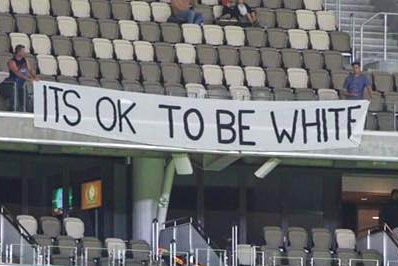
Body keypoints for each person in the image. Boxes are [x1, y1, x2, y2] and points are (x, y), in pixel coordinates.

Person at [0, 45, 38, 111]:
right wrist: (29, 79)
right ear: (19, 52)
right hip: (13, 83)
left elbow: (30, 69)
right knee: (14, 94)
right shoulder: (11, 62)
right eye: (23, 51)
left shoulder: (25, 60)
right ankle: (12, 109)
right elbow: (17, 73)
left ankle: (25, 110)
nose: (24, 53)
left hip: (21, 84)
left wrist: (35, 77)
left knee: (24, 98)